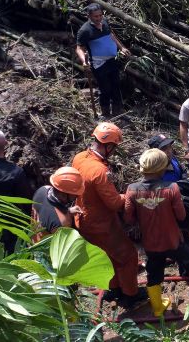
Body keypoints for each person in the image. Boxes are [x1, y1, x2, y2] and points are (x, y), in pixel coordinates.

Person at [124, 149, 189, 317]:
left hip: (150, 243)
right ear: (161, 168)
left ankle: (157, 307)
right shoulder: (172, 188)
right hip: (172, 240)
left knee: (153, 273)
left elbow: (129, 218)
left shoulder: (132, 190)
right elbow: (181, 216)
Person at [72, 122, 146, 306]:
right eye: (114, 147)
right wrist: (130, 195)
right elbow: (113, 203)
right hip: (101, 223)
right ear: (109, 146)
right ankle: (130, 295)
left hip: (83, 219)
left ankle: (114, 289)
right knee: (127, 255)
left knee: (106, 256)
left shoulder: (80, 158)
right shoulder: (99, 171)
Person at [75, 3, 132, 117]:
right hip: (99, 64)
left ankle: (118, 113)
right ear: (89, 16)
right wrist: (84, 61)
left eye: (100, 15)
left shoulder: (105, 23)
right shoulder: (85, 31)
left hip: (112, 60)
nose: (99, 18)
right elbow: (79, 48)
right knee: (105, 88)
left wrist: (122, 47)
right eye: (96, 16)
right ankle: (105, 114)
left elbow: (111, 35)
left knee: (116, 86)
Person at [31, 167, 85, 242]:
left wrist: (67, 212)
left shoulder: (43, 189)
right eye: (75, 195)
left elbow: (49, 212)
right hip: (46, 250)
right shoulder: (61, 224)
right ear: (63, 194)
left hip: (34, 238)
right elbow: (62, 248)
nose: (76, 197)